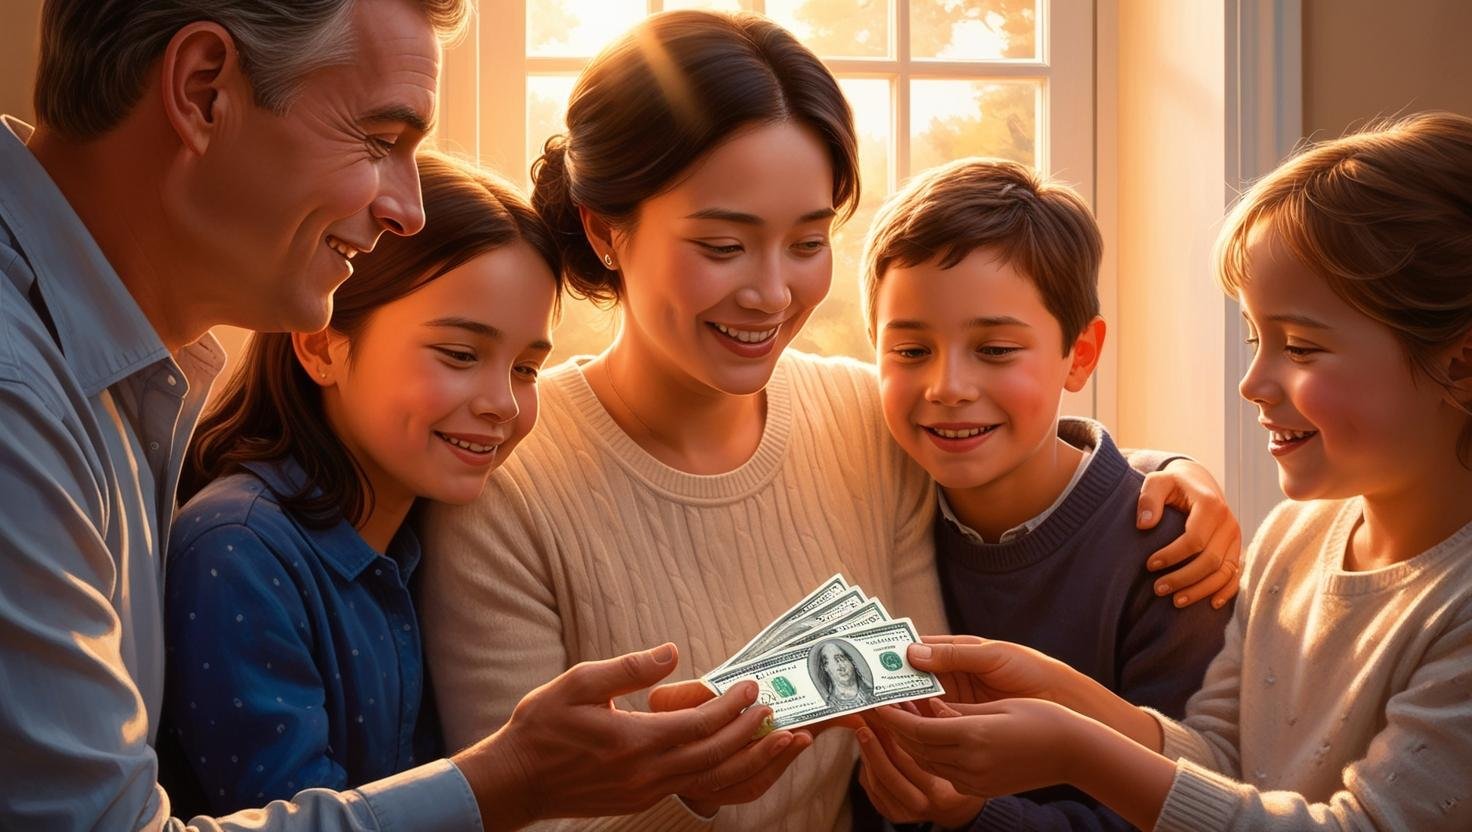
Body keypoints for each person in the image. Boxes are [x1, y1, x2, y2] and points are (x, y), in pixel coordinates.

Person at [418, 10, 1242, 831]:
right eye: (723, 245)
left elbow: (1015, 454)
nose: (771, 294)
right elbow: (512, 814)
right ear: (605, 230)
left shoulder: (862, 419)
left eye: (807, 242)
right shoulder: (504, 479)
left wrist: (1168, 475)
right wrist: (690, 791)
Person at [0, 2, 796, 829]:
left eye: (528, 365)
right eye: (381, 140)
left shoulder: (117, 387)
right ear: (203, 92)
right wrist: (509, 781)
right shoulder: (24, 403)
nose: (405, 210)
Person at [869, 112, 1472, 832]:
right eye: (1256, 338)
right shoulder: (1294, 538)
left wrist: (1074, 749)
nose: (1252, 383)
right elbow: (1216, 759)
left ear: (1459, 365)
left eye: (1302, 348)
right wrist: (1063, 693)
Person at [851, 158, 1233, 830]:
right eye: (910, 351)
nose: (948, 387)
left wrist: (977, 815)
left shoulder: (1172, 555)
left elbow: (1196, 806)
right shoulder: (875, 499)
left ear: (1080, 355)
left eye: (995, 349)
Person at [813, 641, 875, 709]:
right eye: (833, 663)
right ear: (825, 668)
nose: (841, 667)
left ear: (852, 662)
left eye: (841, 659)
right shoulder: (830, 704)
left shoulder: (871, 691)